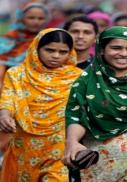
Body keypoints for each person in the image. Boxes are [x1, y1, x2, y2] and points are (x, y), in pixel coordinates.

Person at [63, 26, 127, 181]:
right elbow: (76, 116)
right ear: (102, 50)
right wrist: (72, 142)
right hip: (99, 165)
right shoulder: (86, 80)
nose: (124, 54)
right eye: (116, 48)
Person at [0, 28, 82, 181]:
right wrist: (5, 115)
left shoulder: (77, 77)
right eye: (49, 50)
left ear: (70, 52)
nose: (55, 56)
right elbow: (8, 98)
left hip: (59, 145)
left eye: (63, 52)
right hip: (25, 143)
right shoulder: (17, 74)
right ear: (36, 48)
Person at [0, 3, 49, 89]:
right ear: (22, 19)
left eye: (40, 18)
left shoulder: (48, 38)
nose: (36, 22)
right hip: (6, 82)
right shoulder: (10, 37)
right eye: (31, 18)